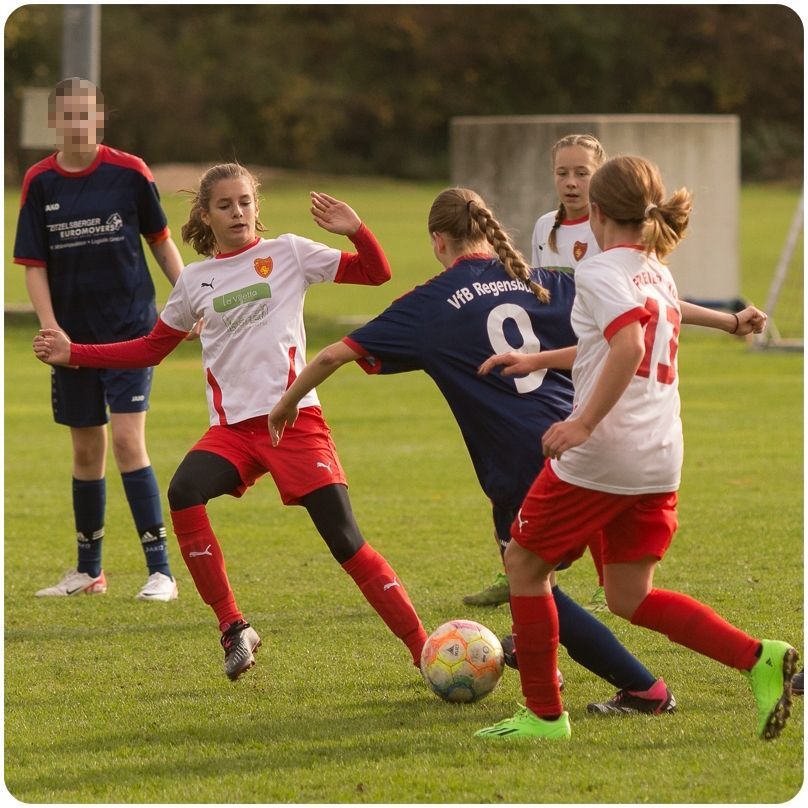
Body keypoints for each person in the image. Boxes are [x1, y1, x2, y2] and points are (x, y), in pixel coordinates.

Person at [270, 186, 692, 715]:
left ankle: (641, 687)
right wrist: (728, 320)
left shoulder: (429, 303)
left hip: (518, 456)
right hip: (585, 440)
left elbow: (334, 354)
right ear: (490, 231)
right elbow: (650, 308)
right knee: (549, 577)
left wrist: (285, 405)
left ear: (437, 241)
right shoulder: (547, 281)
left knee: (528, 577)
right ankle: (543, 656)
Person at [33, 162, 428, 681]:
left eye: (245, 202)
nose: (237, 212)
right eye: (225, 205)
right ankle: (234, 627)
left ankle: (424, 650)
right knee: (184, 491)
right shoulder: (195, 280)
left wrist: (356, 230)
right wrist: (75, 353)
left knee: (346, 541)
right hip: (233, 433)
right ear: (206, 215)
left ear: (256, 207)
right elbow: (151, 348)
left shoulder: (288, 252)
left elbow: (376, 273)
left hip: (295, 422)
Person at [473, 156, 798, 742]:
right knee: (629, 595)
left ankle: (543, 715)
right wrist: (538, 359)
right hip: (659, 456)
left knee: (523, 564)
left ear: (596, 212)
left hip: (604, 454)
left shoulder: (601, 270)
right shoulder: (654, 271)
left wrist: (581, 424)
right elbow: (611, 341)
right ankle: (759, 658)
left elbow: (626, 345)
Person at [14, 77, 185, 601]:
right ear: (54, 121)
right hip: (70, 343)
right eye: (68, 115)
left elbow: (161, 242)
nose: (78, 123)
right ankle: (89, 571)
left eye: (86, 114)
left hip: (131, 332)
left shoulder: (130, 172)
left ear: (100, 118)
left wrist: (190, 298)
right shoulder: (40, 181)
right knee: (86, 449)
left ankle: (161, 573)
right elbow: (33, 264)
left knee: (129, 441)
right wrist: (51, 327)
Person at [465, 132, 608, 610]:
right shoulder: (546, 226)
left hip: (600, 361)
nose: (571, 182)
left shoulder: (608, 226)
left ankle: (603, 579)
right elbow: (537, 298)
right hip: (552, 367)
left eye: (582, 173)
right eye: (562, 173)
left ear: (599, 175)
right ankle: (514, 567)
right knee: (513, 461)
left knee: (592, 472)